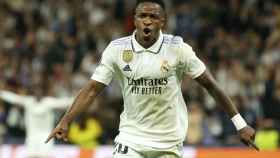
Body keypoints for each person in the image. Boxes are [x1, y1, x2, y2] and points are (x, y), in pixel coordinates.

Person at [46, 0, 259, 157]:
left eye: (153, 17)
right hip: (131, 138)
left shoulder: (178, 48)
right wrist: (65, 120)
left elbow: (210, 85)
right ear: (135, 20)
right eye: (142, 16)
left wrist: (240, 124)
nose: (147, 21)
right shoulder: (117, 49)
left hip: (168, 142)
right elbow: (92, 89)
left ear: (162, 22)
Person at [0, 88, 73, 158]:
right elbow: (14, 98)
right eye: (36, 93)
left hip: (45, 136)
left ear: (43, 94)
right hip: (32, 136)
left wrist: (78, 99)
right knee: (32, 156)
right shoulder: (28, 101)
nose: (38, 94)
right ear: (33, 94)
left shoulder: (48, 102)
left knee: (45, 156)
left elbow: (63, 102)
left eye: (40, 93)